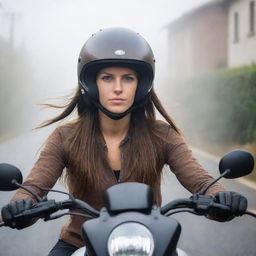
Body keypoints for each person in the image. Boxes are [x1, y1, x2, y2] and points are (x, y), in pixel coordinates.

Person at [0, 27, 247, 256]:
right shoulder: (66, 137)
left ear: (140, 84)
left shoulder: (163, 135)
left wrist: (222, 198)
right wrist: (20, 207)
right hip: (79, 243)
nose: (118, 88)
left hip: (150, 240)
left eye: (128, 78)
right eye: (107, 78)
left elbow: (201, 181)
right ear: (92, 83)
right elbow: (34, 186)